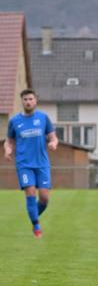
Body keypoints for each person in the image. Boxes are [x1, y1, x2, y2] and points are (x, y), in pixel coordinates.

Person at [4, 89, 58, 238]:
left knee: (45, 198)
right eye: (25, 99)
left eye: (30, 99)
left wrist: (53, 143)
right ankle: (36, 225)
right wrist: (7, 150)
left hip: (42, 164)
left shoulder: (43, 118)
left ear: (35, 101)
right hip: (24, 164)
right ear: (22, 101)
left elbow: (53, 137)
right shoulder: (14, 121)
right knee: (30, 192)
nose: (28, 102)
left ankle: (33, 215)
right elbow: (8, 141)